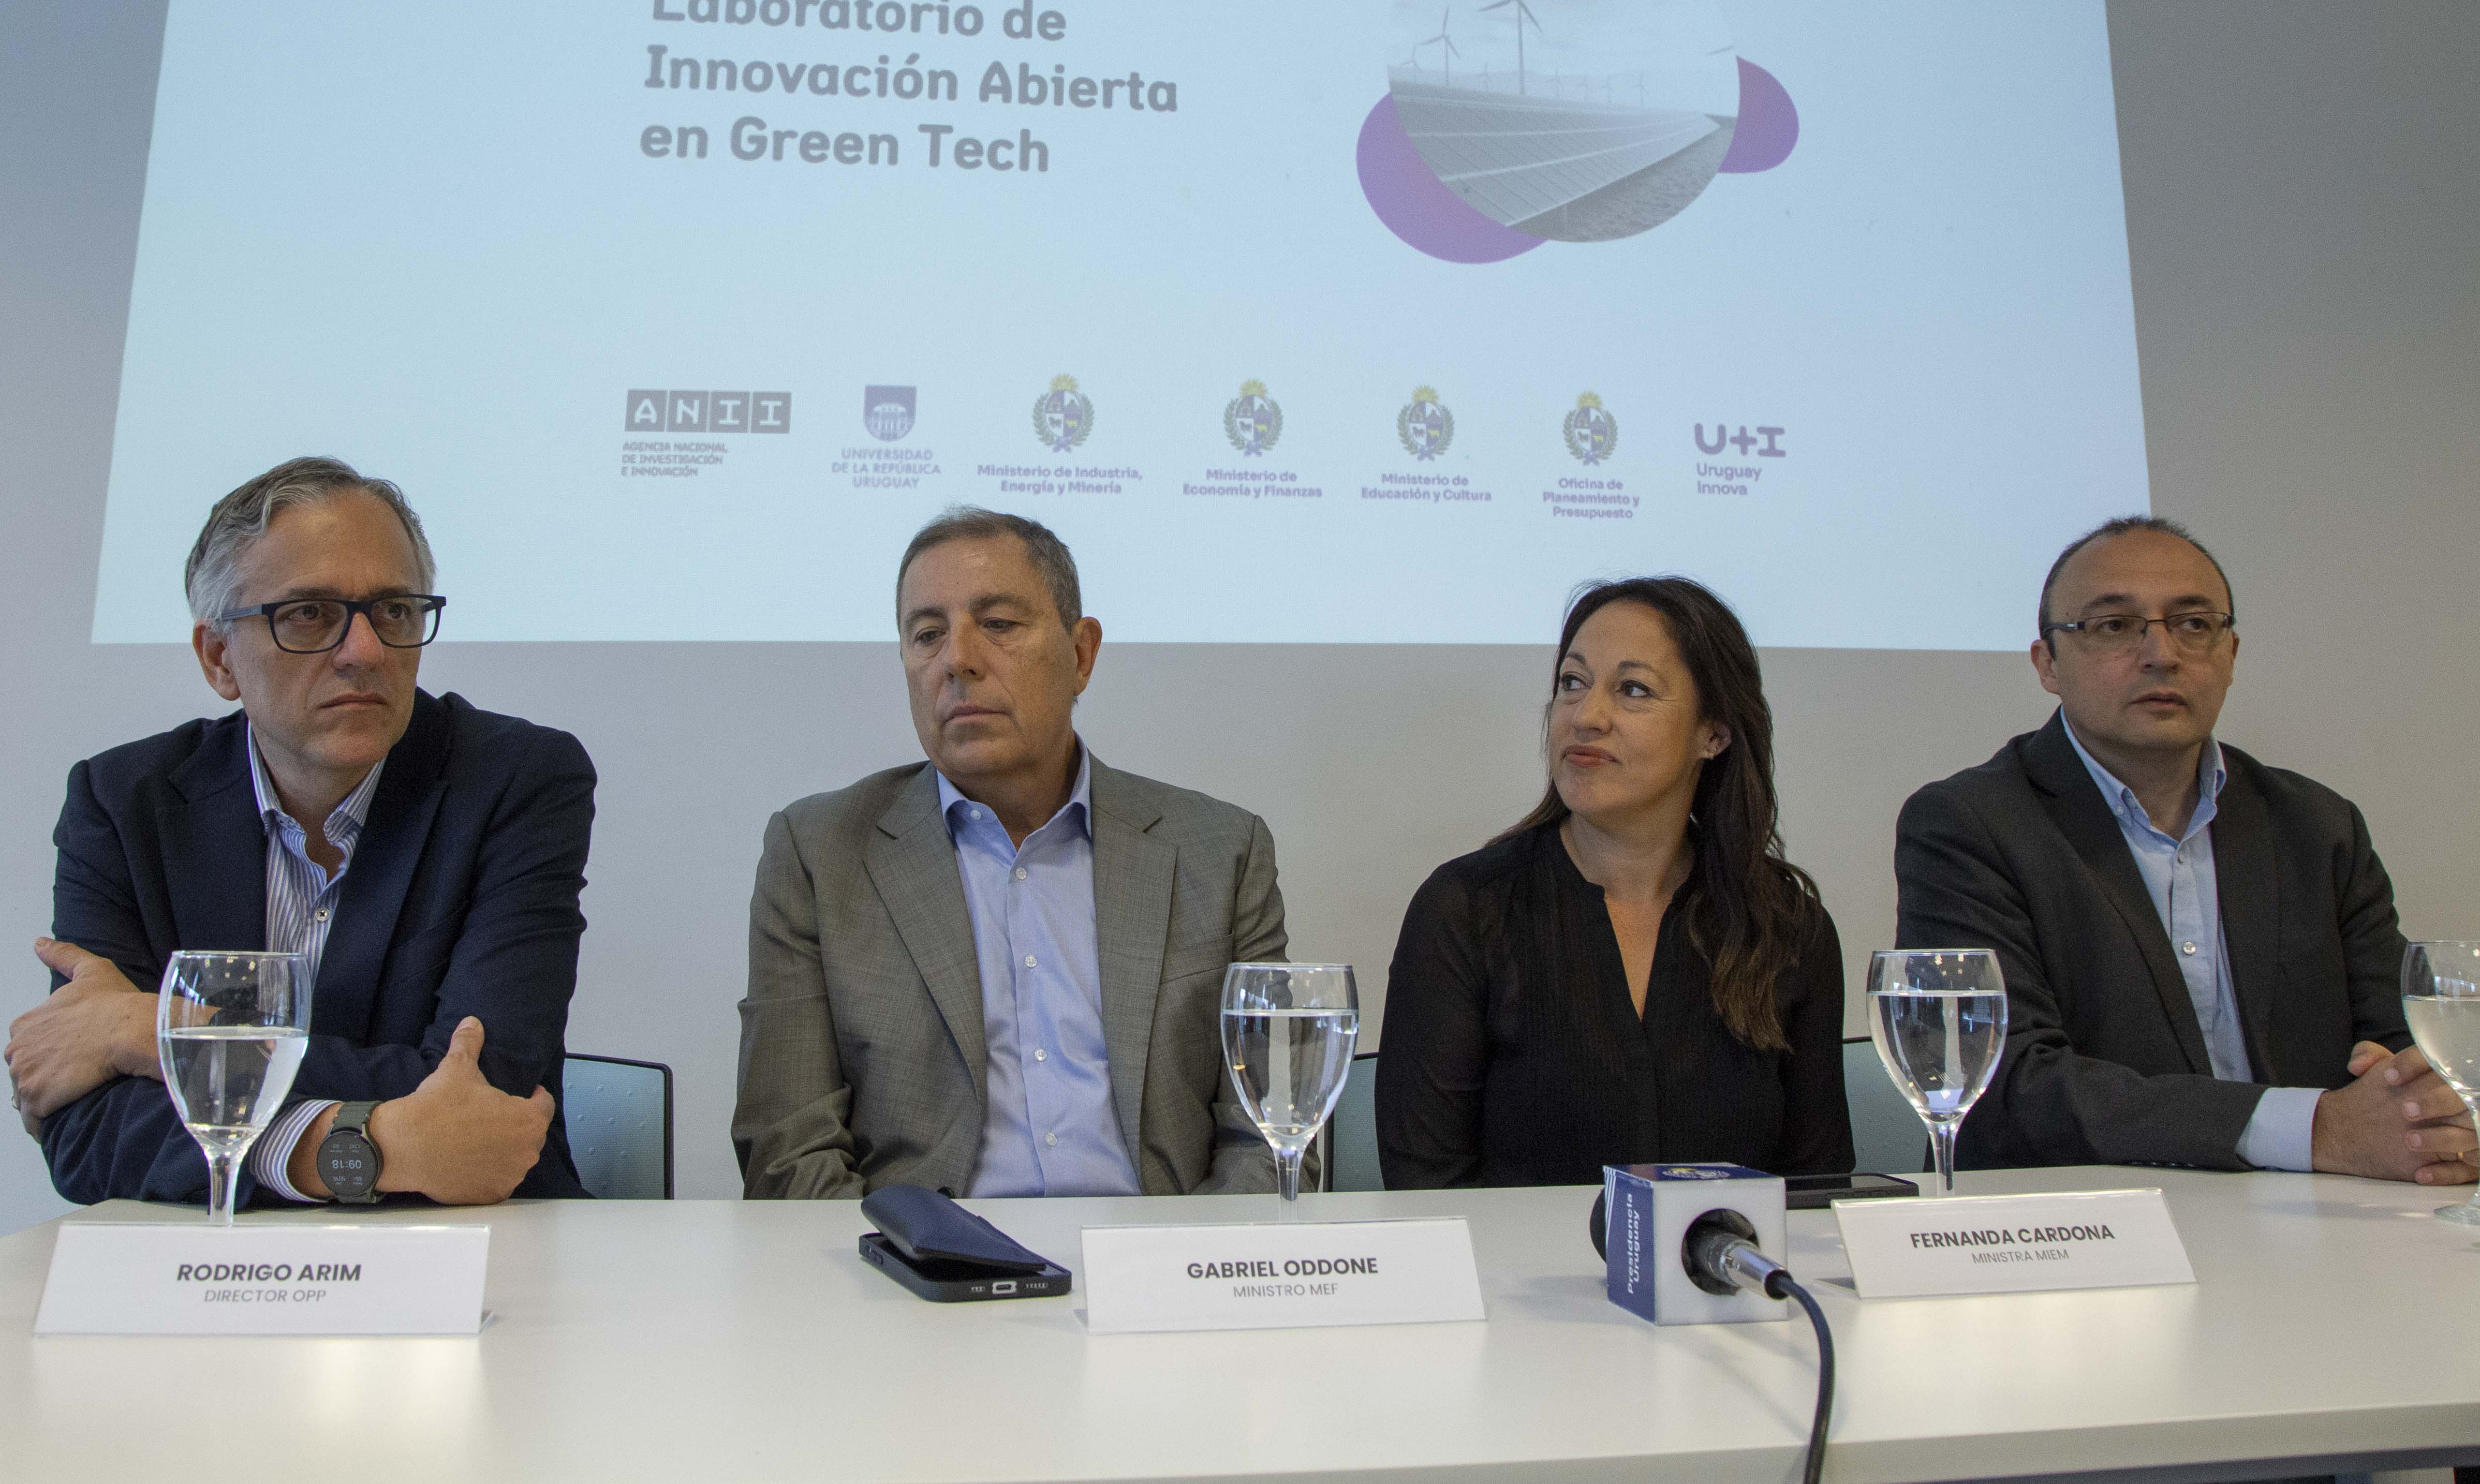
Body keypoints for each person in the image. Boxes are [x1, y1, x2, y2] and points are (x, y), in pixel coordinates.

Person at [6, 457, 595, 1207]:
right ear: (219, 658)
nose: (366, 651)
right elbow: (89, 1129)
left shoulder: (515, 781)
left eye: (394, 610)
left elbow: (481, 1089)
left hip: (476, 1242)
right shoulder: (124, 804)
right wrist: (359, 1149)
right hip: (209, 1262)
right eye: (310, 614)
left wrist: (152, 1030)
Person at [1895, 514, 2474, 1181]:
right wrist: (2315, 1130)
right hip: (2083, 1222)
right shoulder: (1967, 825)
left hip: (2317, 1217)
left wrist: (2430, 1112)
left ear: (2230, 655)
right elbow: (2001, 1084)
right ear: (2047, 664)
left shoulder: (2316, 825)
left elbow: (2405, 1043)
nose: (2161, 654)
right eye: (2114, 626)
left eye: (2194, 624)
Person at [733, 507, 1289, 1198]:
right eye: (927, 634)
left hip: (1157, 1250)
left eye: (997, 624)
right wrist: (912, 1255)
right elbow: (788, 1151)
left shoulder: (1219, 851)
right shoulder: (820, 855)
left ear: (1081, 655)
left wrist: (1181, 1253)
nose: (957, 659)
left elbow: (1272, 1136)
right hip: (924, 1257)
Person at [1376, 577, 1854, 1188]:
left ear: (1714, 733)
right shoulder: (1466, 910)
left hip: (1730, 1255)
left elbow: (1817, 1185)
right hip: (1511, 1256)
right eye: (1571, 683)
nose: (1585, 716)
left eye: (1632, 690)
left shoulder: (1787, 927)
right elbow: (1424, 1187)